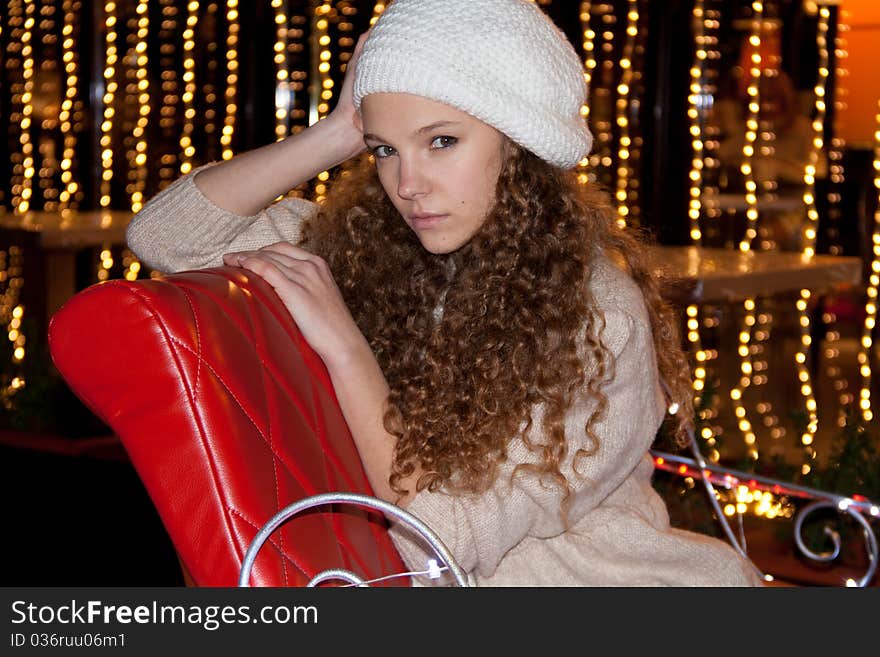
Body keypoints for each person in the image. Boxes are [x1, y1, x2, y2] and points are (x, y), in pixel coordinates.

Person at [127, 0, 764, 586]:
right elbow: (164, 237)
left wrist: (347, 349)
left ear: (520, 142)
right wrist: (333, 133)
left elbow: (444, 538)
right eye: (384, 151)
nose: (408, 184)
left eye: (441, 141)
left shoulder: (595, 311)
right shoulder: (368, 249)